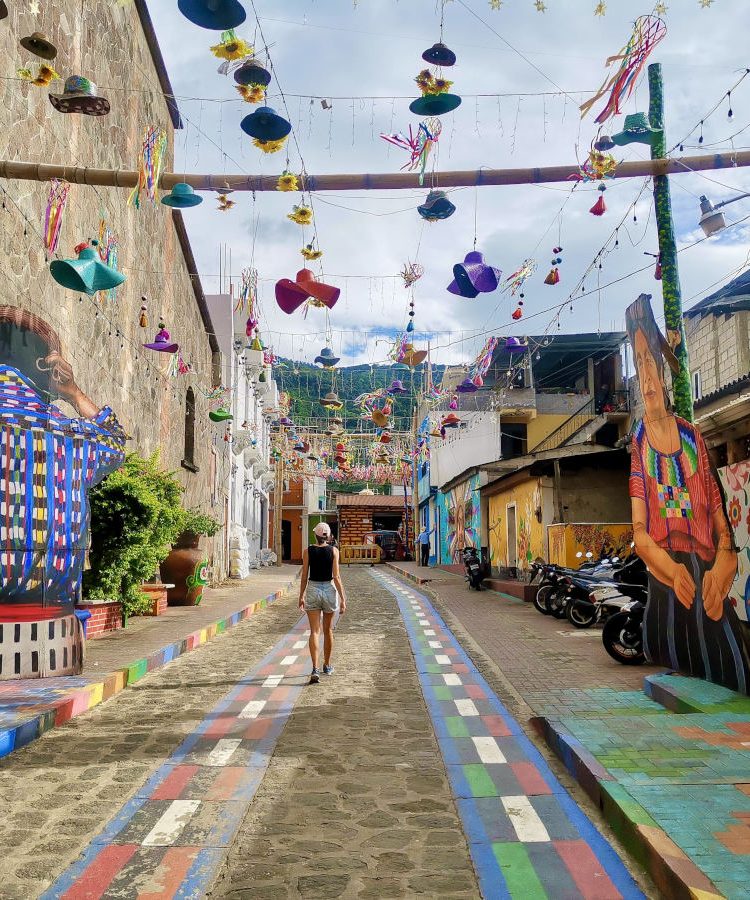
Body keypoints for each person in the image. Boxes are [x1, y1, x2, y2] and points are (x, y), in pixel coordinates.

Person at [627, 294, 750, 693]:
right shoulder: (639, 442)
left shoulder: (691, 435)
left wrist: (724, 563)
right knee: (679, 654)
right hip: (669, 577)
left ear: (663, 373)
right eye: (638, 363)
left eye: (650, 363)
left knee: (731, 663)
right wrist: (671, 569)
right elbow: (641, 534)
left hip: (707, 572)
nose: (645, 376)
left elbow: (717, 511)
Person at [298, 522, 347, 684]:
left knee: (314, 631)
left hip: (312, 588)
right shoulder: (334, 551)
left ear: (315, 535)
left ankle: (315, 668)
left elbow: (304, 575)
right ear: (328, 536)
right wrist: (343, 599)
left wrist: (301, 596)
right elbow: (337, 577)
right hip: (328, 589)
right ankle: (327, 665)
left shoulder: (307, 552)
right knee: (328, 630)